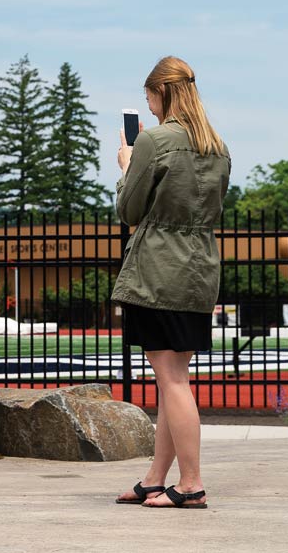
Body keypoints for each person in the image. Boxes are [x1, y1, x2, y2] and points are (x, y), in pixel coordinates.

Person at [112, 56, 231, 509]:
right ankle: (156, 477)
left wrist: (126, 164)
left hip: (158, 271)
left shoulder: (154, 141)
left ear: (162, 93)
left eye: (150, 97)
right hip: (200, 270)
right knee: (172, 379)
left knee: (172, 380)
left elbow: (130, 212)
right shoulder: (217, 146)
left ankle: (192, 483)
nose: (150, 105)